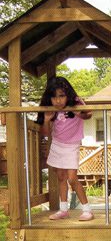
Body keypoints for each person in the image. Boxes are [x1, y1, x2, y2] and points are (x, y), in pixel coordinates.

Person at [36, 76, 94, 221]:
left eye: (61, 96)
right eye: (54, 97)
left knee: (72, 178)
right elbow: (45, 133)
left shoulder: (75, 103)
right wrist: (47, 120)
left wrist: (78, 112)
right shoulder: (51, 109)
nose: (58, 100)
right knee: (61, 177)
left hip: (72, 145)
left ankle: (87, 210)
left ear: (67, 94)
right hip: (57, 144)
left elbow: (89, 114)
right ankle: (63, 210)